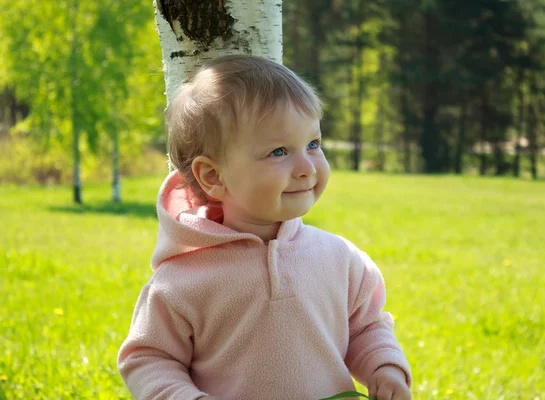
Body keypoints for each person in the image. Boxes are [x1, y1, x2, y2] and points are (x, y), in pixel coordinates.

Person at [117, 55, 412, 400]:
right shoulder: (181, 281)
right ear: (213, 176)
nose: (306, 167)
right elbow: (149, 359)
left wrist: (384, 367)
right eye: (278, 151)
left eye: (313, 145)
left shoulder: (341, 259)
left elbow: (366, 328)